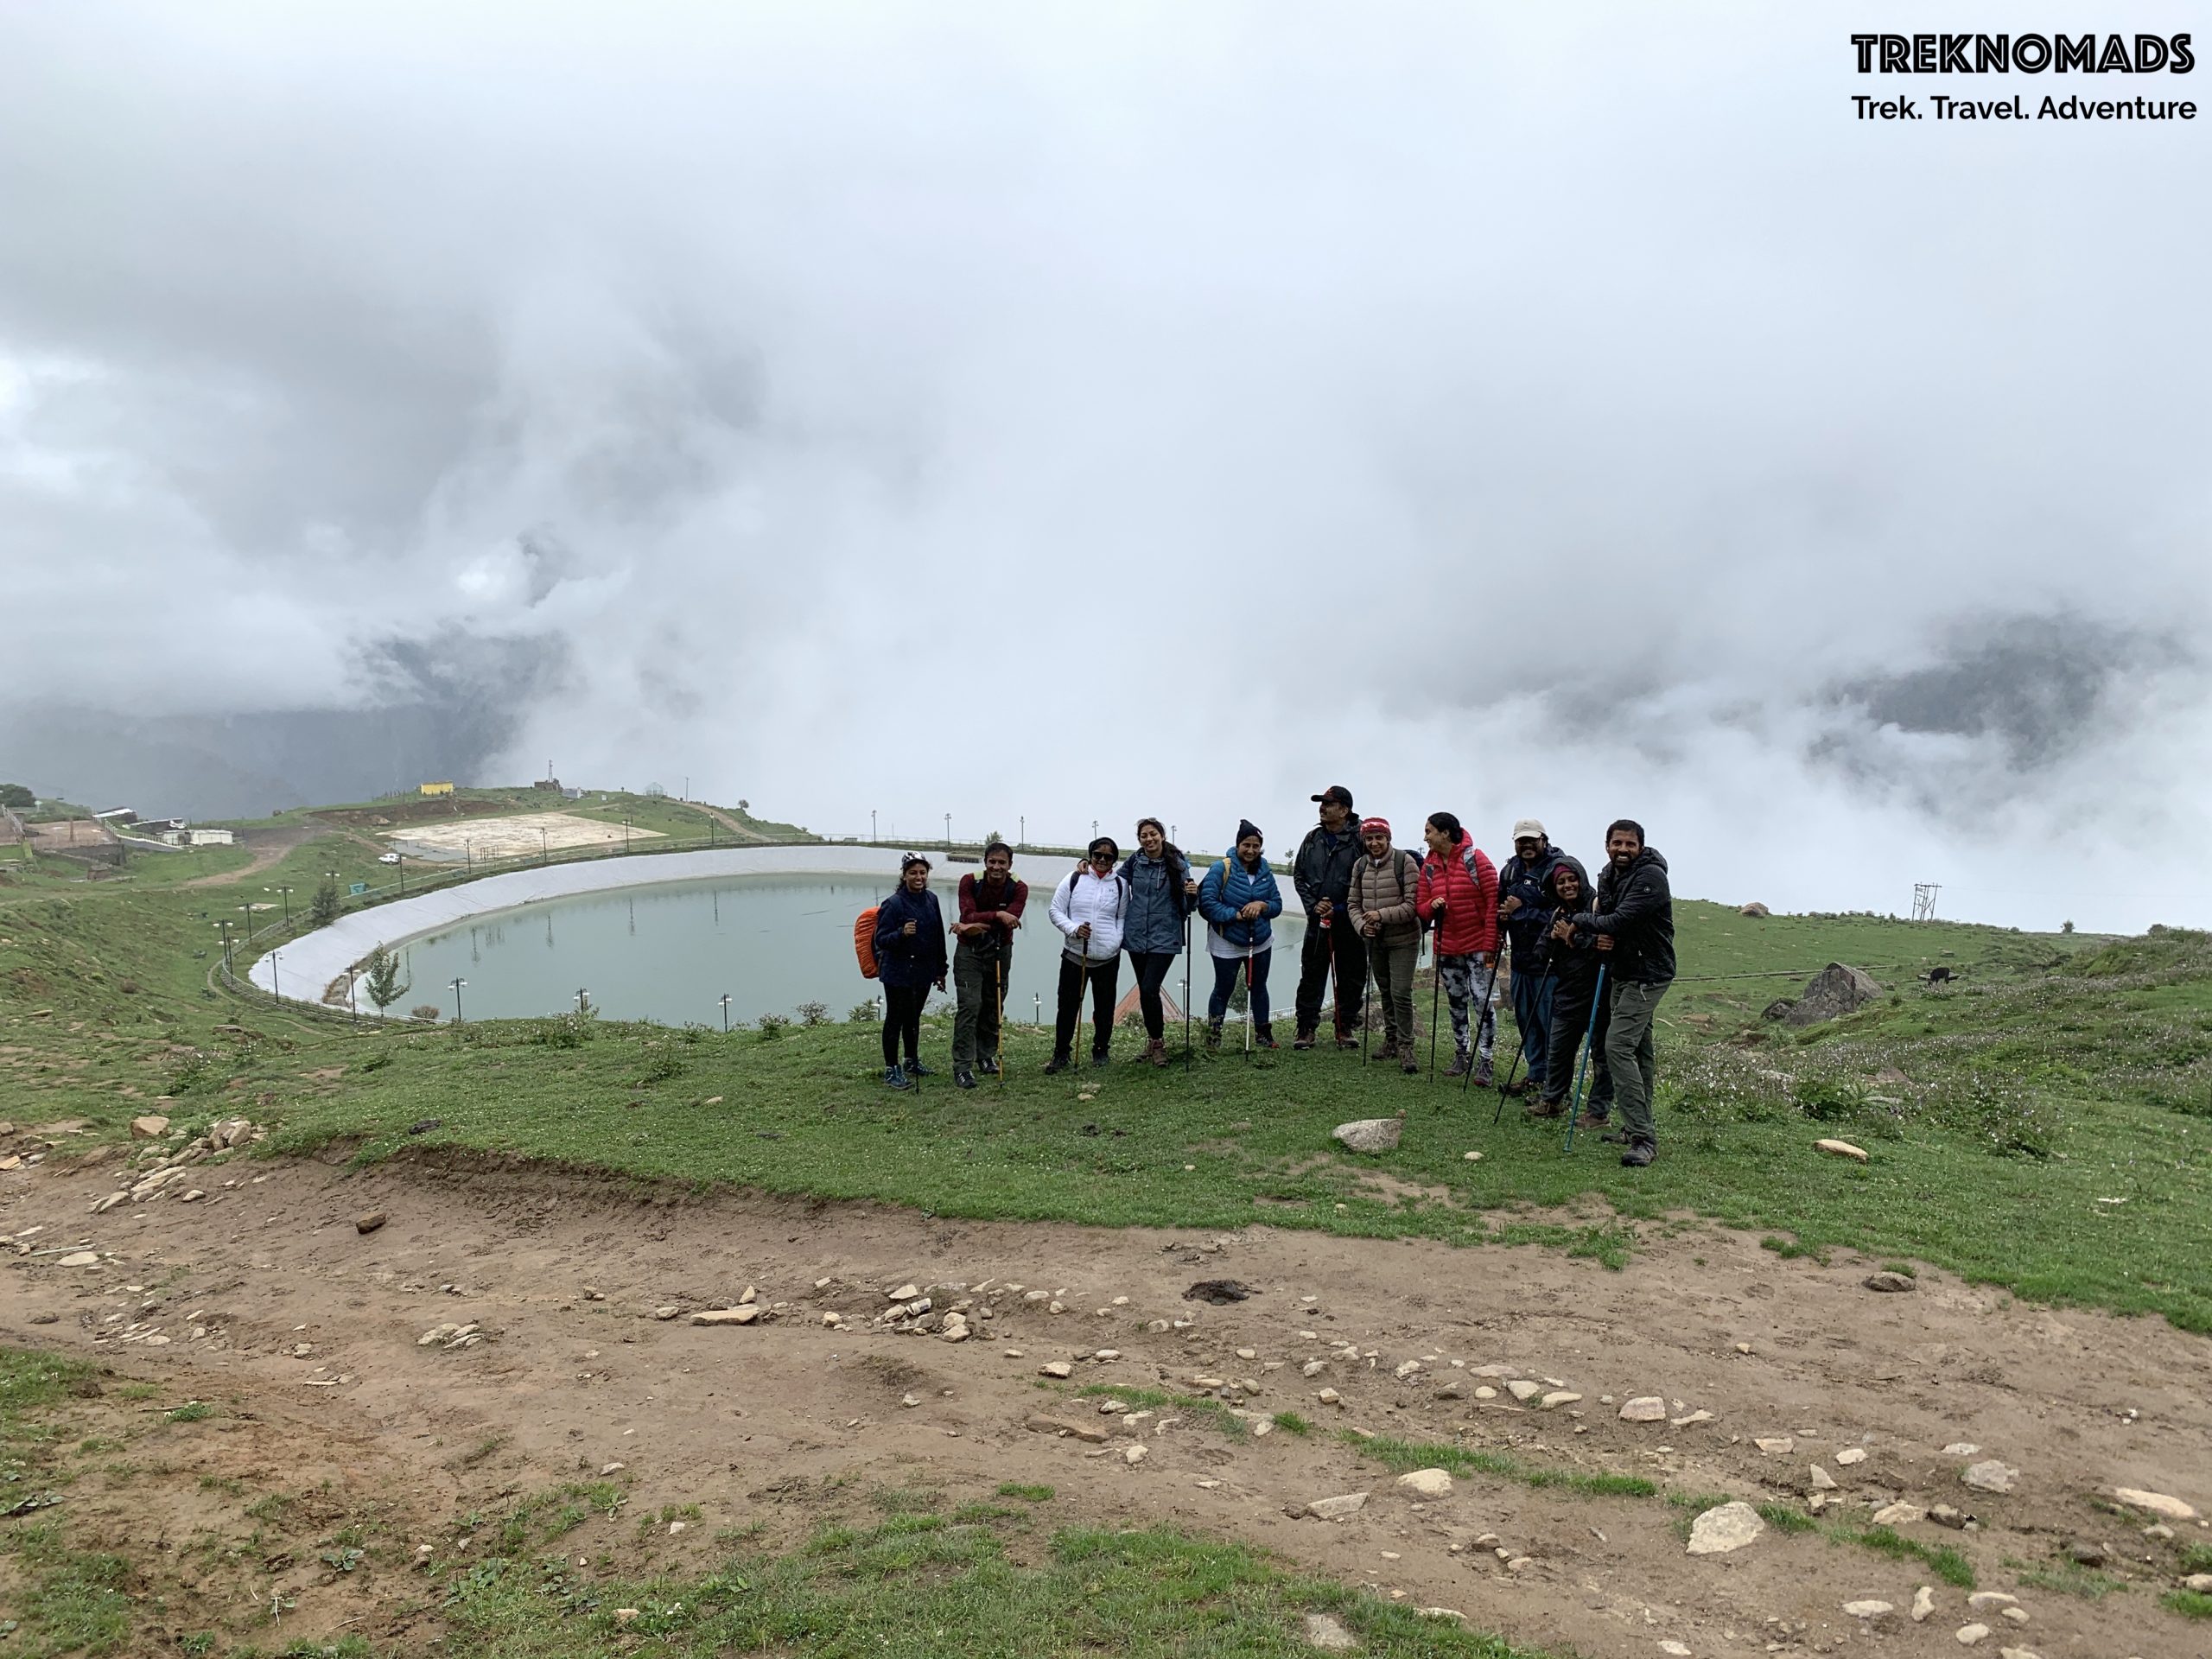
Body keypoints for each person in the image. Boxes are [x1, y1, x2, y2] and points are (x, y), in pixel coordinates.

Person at [1565, 819, 1675, 1166]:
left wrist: (1582, 921)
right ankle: (1636, 1127)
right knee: (1639, 1048)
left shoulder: (1651, 877)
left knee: (1618, 1045)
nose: (1622, 850)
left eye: (1629, 844)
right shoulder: (1608, 876)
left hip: (1649, 974)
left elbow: (1617, 921)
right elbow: (1610, 922)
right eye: (1617, 843)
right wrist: (1601, 934)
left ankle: (1643, 1138)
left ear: (1641, 846)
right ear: (1607, 844)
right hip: (1623, 971)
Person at [1415, 811, 1499, 1081]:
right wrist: (1432, 905)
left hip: (1478, 946)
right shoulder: (1428, 866)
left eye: (1429, 831)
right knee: (1455, 1002)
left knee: (1482, 1002)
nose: (1425, 837)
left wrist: (1489, 946)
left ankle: (1486, 1059)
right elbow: (1421, 906)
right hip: (1448, 945)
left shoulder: (1475, 859)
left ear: (1445, 833)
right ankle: (1461, 1053)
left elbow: (1492, 904)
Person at [1535, 857, 1611, 1124]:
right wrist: (1556, 938)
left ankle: (1598, 1112)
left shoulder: (1598, 907)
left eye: (1572, 879)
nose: (1568, 885)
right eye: (1561, 882)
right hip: (1567, 994)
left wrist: (1573, 936)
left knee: (1602, 1056)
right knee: (1558, 1052)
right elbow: (1540, 952)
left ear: (1581, 878)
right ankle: (1553, 1101)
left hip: (1599, 993)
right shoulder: (1558, 913)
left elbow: (1603, 946)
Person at [1494, 817, 1568, 1096]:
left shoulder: (1558, 870)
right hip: (1521, 963)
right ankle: (1536, 1076)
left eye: (1531, 839)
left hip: (1550, 964)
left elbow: (1563, 915)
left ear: (1543, 840)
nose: (1526, 845)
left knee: (1552, 1027)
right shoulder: (1510, 871)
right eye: (1521, 840)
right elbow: (1503, 907)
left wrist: (1520, 910)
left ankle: (1556, 1085)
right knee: (1527, 1022)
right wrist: (1502, 920)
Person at [1292, 785, 1368, 1050]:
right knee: (1311, 973)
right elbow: (1299, 876)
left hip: (1349, 920)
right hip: (1318, 920)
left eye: (1329, 804)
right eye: (1321, 803)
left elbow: (1368, 879)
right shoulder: (1312, 839)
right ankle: (1306, 1028)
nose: (1322, 808)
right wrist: (1314, 905)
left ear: (1344, 810)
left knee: (1351, 974)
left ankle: (1345, 1026)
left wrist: (1346, 906)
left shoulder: (1361, 839)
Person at [1345, 817, 1424, 1073]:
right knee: (1386, 990)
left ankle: (1406, 1046)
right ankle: (1391, 1040)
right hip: (1374, 939)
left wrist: (1381, 915)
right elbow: (1353, 904)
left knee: (1401, 992)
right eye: (1369, 838)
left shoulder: (1405, 862)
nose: (1374, 842)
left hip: (1403, 939)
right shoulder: (1360, 865)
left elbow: (1412, 906)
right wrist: (1362, 926)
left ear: (1388, 838)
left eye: (1379, 837)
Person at [1196, 819, 1283, 1047]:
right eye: (1247, 845)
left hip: (1260, 940)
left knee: (1259, 986)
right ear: (1237, 845)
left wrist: (1262, 906)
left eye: (1256, 846)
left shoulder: (1265, 870)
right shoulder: (1220, 868)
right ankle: (1213, 1036)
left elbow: (1277, 904)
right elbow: (1207, 904)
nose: (1251, 850)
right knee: (1223, 989)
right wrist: (1237, 915)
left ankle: (1263, 1034)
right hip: (1227, 940)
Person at [1119, 818, 1199, 1067]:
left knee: (1150, 987)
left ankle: (1157, 1044)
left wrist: (1192, 896)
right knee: (1145, 990)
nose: (1149, 839)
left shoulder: (1177, 864)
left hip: (1165, 935)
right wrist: (1086, 869)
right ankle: (1154, 1041)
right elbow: (1114, 884)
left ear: (1162, 836)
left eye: (1153, 834)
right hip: (1136, 935)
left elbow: (1189, 905)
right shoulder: (1134, 862)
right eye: (1144, 835)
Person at [1046, 836, 1129, 1072]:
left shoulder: (1121, 885)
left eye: (1109, 857)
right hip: (1075, 954)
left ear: (1115, 859)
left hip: (1108, 958)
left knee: (1104, 1008)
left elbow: (1121, 917)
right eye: (1097, 855)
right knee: (1068, 1007)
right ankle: (1061, 1052)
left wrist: (1116, 940)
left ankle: (1101, 1049)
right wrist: (1073, 929)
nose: (1102, 860)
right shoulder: (1073, 879)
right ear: (1090, 855)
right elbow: (1055, 910)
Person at [950, 842, 1027, 1088]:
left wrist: (975, 925)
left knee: (994, 1003)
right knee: (970, 1006)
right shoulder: (970, 881)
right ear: (985, 862)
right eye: (992, 861)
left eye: (1002, 863)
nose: (996, 867)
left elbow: (1010, 921)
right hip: (969, 952)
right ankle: (962, 1066)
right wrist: (996, 915)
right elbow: (966, 915)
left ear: (1010, 865)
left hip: (999, 951)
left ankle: (986, 1056)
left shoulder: (1019, 888)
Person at [871, 854, 947, 1089]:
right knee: (895, 1018)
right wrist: (901, 933)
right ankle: (891, 1068)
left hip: (923, 970)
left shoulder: (932, 900)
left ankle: (911, 1061)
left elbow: (939, 937)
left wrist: (941, 970)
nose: (918, 877)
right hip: (897, 972)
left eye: (922, 873)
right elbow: (881, 940)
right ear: (904, 875)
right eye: (913, 873)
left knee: (913, 1018)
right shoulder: (893, 904)